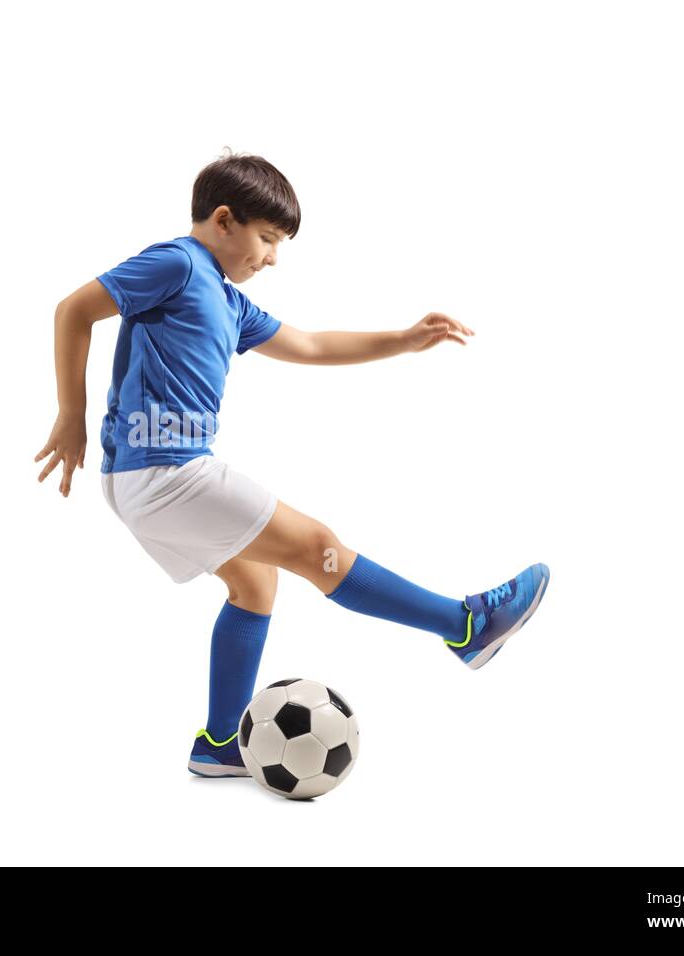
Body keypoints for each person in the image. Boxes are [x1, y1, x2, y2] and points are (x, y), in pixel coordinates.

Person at [35, 150, 550, 778]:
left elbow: (307, 343)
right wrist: (71, 414)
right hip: (165, 470)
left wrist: (403, 339)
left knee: (255, 585)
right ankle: (464, 625)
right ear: (224, 220)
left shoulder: (230, 302)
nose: (272, 257)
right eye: (267, 239)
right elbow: (74, 309)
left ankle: (221, 744)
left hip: (150, 477)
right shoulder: (178, 262)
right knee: (317, 547)